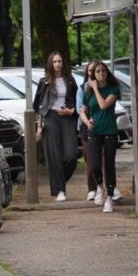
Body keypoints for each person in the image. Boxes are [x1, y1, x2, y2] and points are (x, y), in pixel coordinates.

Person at [34, 52, 80, 202]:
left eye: (60, 61)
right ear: (50, 64)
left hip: (67, 117)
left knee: (71, 155)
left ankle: (58, 182)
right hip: (51, 117)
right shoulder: (44, 82)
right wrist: (39, 125)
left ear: (63, 63)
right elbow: (38, 105)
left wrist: (71, 111)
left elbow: (77, 100)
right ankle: (60, 190)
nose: (57, 64)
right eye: (54, 61)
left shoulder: (70, 80)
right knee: (54, 156)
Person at [81, 60, 122, 213]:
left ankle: (110, 197)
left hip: (109, 130)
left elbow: (104, 105)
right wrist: (87, 122)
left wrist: (96, 89)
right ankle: (99, 186)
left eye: (103, 71)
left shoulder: (113, 89)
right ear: (93, 74)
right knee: (95, 164)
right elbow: (83, 110)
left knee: (109, 164)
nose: (101, 74)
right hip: (94, 131)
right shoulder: (88, 91)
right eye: (97, 72)